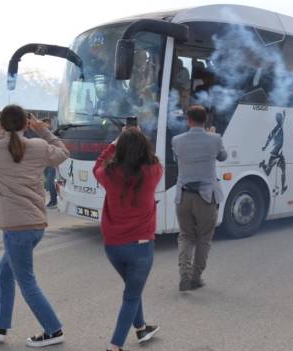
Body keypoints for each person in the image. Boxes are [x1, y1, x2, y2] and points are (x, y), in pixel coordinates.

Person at [0, 105, 69, 348]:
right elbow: (63, 152)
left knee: (26, 281)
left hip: (15, 227)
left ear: (2, 124)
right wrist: (43, 131)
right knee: (3, 274)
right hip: (35, 223)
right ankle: (0, 325)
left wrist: (7, 132)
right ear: (27, 124)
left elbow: (2, 144)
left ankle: (53, 329)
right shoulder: (38, 147)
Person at [93, 127, 162, 351]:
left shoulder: (109, 174)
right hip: (141, 248)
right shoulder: (154, 171)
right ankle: (115, 346)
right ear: (144, 149)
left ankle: (142, 328)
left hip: (113, 247)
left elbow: (97, 165)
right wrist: (138, 140)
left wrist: (115, 142)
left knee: (133, 288)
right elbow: (156, 159)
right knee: (131, 295)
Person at [172, 105, 228, 291]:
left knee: (186, 236)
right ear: (206, 120)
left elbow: (176, 158)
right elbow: (223, 157)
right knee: (204, 238)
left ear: (188, 120)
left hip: (183, 196)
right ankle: (196, 278)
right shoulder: (215, 139)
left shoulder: (177, 140)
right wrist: (212, 136)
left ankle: (184, 276)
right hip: (206, 197)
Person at [41, 118, 58, 208]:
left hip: (52, 162)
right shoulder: (41, 135)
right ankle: (54, 199)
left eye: (47, 124)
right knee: (48, 183)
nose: (45, 126)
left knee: (49, 182)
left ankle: (54, 201)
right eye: (43, 124)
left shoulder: (53, 135)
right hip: (44, 162)